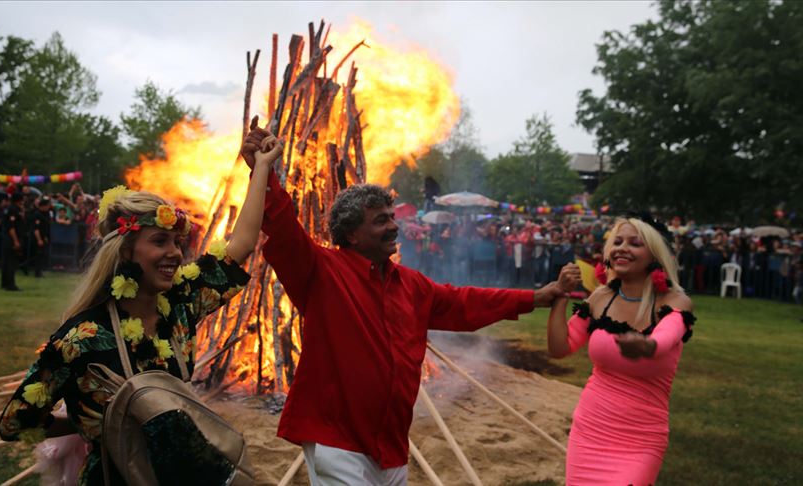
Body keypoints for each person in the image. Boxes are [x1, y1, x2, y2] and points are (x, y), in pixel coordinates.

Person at [241, 124, 568, 485]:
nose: (394, 227)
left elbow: (465, 303)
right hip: (337, 439)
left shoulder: (411, 285)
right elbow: (284, 228)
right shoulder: (321, 271)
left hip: (392, 444)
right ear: (351, 233)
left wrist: (535, 298)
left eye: (392, 217)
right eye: (381, 220)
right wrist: (263, 172)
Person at [0, 134, 283, 485]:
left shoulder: (180, 305)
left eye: (178, 243)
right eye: (159, 241)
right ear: (126, 251)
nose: (176, 253)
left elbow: (241, 244)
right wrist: (98, 421)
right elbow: (16, 421)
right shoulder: (82, 337)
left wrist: (262, 169)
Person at [546, 215, 695, 485]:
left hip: (641, 438)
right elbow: (560, 347)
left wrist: (646, 345)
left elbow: (664, 338)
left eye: (635, 243)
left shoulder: (676, 302)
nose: (622, 248)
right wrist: (561, 294)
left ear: (655, 255)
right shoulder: (601, 298)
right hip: (590, 429)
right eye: (617, 242)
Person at [1, 192, 26, 291]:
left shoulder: (9, 209)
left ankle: (5, 283)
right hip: (11, 239)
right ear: (19, 200)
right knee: (11, 262)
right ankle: (11, 285)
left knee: (6, 262)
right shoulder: (13, 210)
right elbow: (11, 227)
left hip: (7, 238)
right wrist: (16, 241)